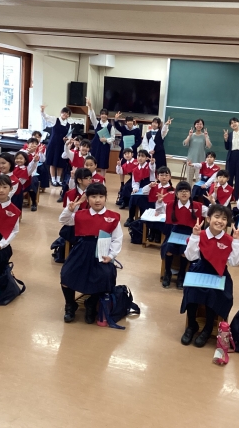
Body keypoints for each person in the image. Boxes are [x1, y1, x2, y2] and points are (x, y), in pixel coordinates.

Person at [59, 183, 123, 324]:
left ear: (106, 198)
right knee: (66, 274)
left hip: (102, 251)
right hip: (82, 248)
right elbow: (63, 220)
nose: (97, 200)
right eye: (93, 197)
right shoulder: (81, 214)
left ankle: (91, 304)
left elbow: (117, 239)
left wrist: (111, 255)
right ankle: (70, 305)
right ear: (87, 199)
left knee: (105, 276)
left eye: (101, 196)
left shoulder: (113, 217)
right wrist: (69, 210)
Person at [181, 205, 239, 347]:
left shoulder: (229, 239)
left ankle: (208, 328)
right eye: (216, 217)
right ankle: (192, 325)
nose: (220, 221)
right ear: (208, 219)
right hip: (200, 270)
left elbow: (234, 262)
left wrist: (237, 241)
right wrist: (195, 236)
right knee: (191, 289)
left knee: (214, 294)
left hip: (219, 274)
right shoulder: (200, 234)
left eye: (224, 218)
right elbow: (191, 257)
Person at [157, 181, 208, 289]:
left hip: (190, 233)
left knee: (185, 250)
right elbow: (159, 210)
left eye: (186, 191)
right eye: (181, 191)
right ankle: (167, 273)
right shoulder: (171, 205)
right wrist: (160, 202)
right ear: (176, 194)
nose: (184, 193)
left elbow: (211, 212)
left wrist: (213, 203)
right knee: (168, 248)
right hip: (174, 232)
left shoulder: (198, 206)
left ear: (190, 193)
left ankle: (181, 274)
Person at [41, 104, 72, 187]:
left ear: (68, 115)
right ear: (61, 113)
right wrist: (42, 110)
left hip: (62, 145)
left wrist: (67, 139)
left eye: (67, 113)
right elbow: (46, 117)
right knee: (52, 162)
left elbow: (69, 136)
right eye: (64, 112)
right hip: (53, 144)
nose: (65, 114)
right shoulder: (55, 120)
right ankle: (53, 180)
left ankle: (58, 180)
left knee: (60, 163)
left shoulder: (69, 125)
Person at [124, 151, 156, 227]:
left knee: (143, 198)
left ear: (146, 158)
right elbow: (135, 182)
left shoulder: (149, 166)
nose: (140, 158)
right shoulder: (135, 169)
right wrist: (135, 189)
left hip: (150, 187)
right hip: (140, 188)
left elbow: (153, 169)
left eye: (142, 156)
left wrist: (152, 163)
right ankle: (131, 217)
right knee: (133, 196)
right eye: (139, 156)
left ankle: (143, 218)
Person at [87, 98, 115, 177]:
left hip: (105, 147)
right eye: (102, 114)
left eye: (105, 114)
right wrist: (90, 106)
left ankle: (102, 179)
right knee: (93, 163)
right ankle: (92, 178)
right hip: (95, 146)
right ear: (100, 115)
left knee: (103, 164)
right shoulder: (96, 123)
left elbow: (113, 138)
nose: (103, 115)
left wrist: (106, 139)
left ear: (107, 116)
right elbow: (92, 116)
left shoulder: (110, 126)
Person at [183, 119, 212, 183]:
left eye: (201, 124)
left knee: (199, 181)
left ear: (203, 126)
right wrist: (189, 136)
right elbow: (185, 144)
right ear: (195, 125)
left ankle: (197, 190)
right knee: (189, 180)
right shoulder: (191, 135)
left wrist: (206, 137)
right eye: (197, 124)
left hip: (200, 162)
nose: (199, 125)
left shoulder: (204, 136)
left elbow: (209, 146)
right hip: (190, 161)